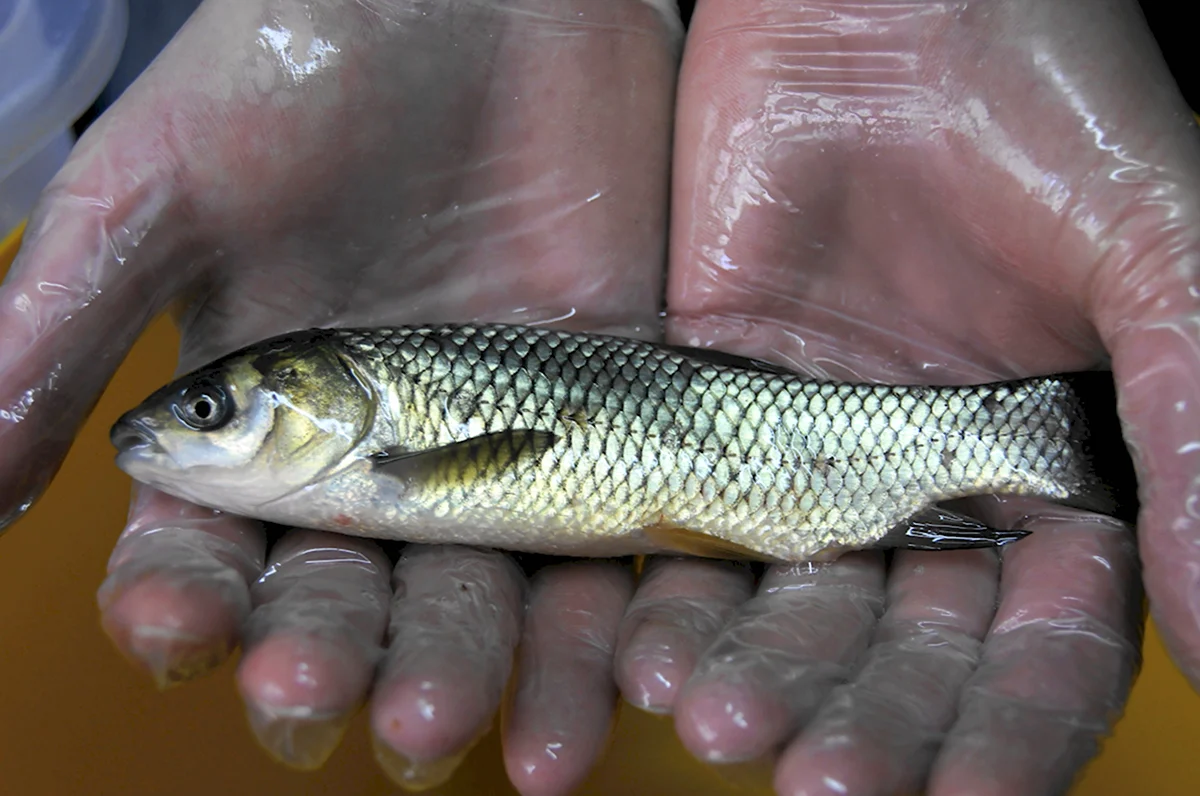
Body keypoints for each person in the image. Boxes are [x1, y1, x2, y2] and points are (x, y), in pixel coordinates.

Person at [0, 1, 1195, 794]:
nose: (168, 433)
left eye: (213, 412)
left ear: (321, 396)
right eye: (207, 413)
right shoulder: (380, 435)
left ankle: (1040, 440)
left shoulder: (386, 454)